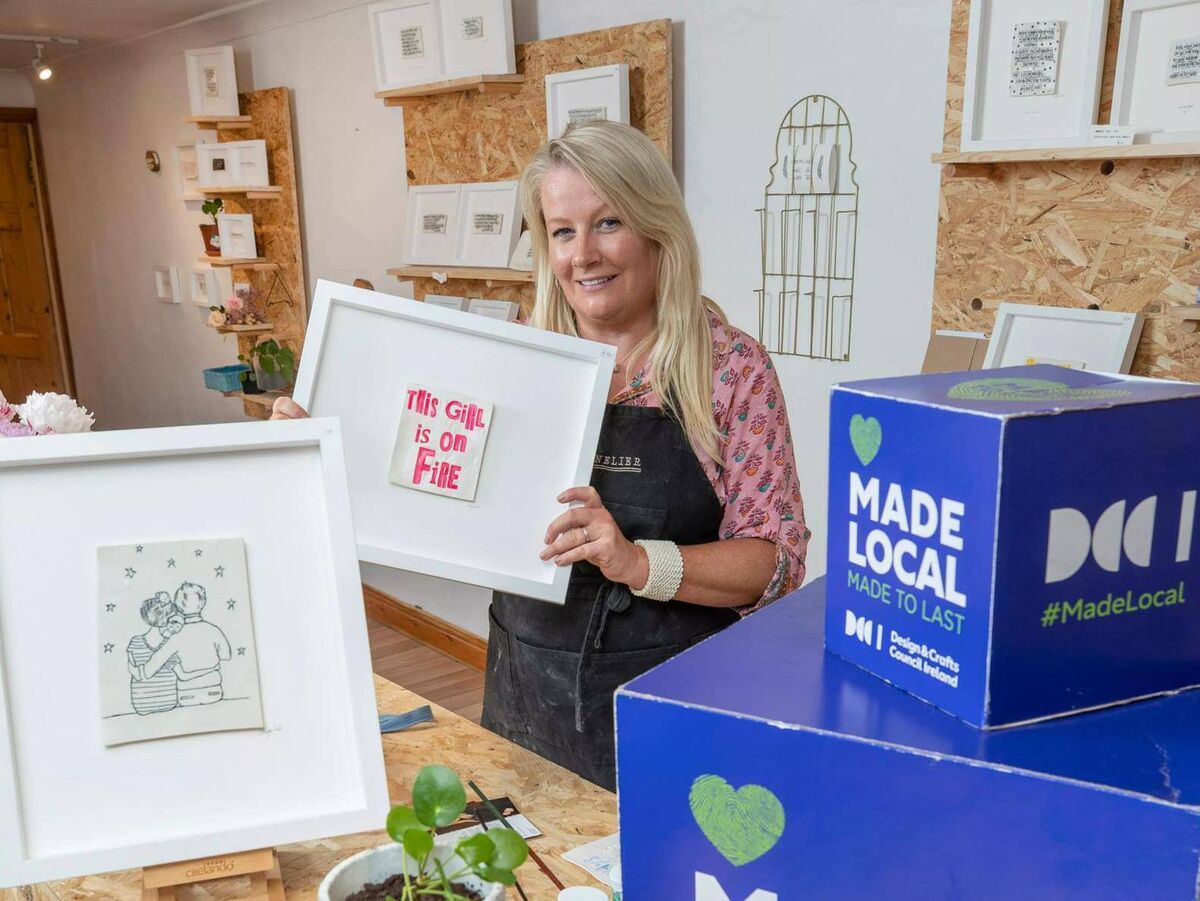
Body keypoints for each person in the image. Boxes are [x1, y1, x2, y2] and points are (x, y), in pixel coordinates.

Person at [272, 121, 808, 789]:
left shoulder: (730, 369)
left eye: (608, 222)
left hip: (675, 706)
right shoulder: (520, 356)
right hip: (525, 694)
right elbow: (436, 487)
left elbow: (775, 562)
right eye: (562, 231)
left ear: (656, 227)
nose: (584, 254)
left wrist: (638, 562)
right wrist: (322, 449)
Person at [138, 582, 231, 706]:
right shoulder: (214, 630)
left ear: (177, 606)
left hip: (187, 695)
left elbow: (149, 669)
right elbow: (226, 656)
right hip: (214, 691)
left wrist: (136, 670)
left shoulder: (176, 636)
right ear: (202, 603)